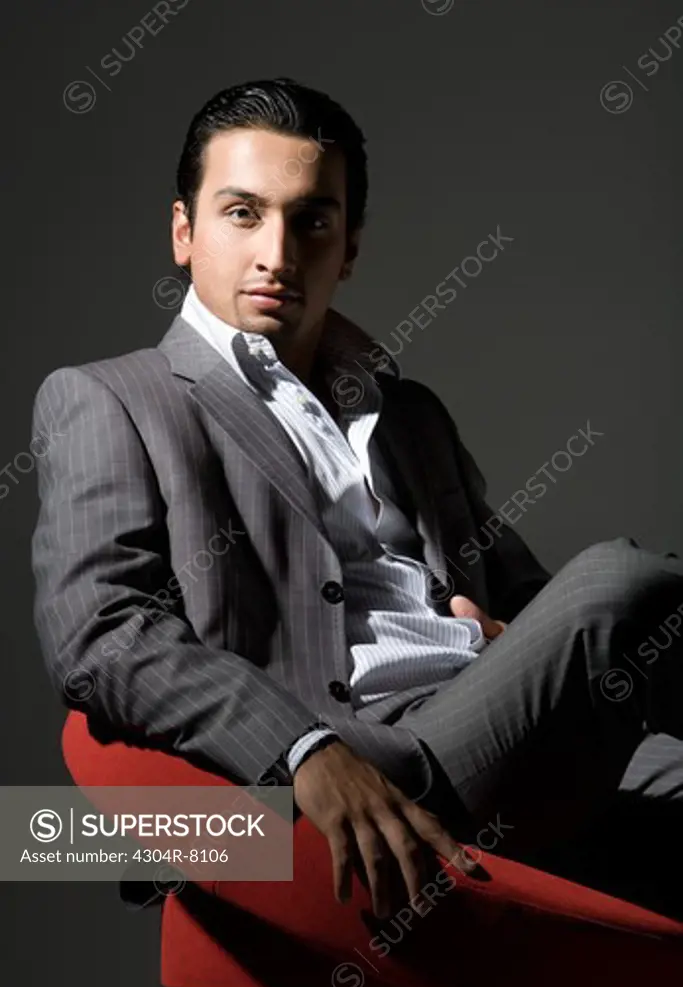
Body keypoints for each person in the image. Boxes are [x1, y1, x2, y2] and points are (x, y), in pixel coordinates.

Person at [31, 77, 683, 935]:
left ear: (349, 247)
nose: (277, 253)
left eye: (312, 221)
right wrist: (301, 750)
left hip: (496, 729)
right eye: (241, 213)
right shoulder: (111, 398)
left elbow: (529, 602)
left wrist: (507, 638)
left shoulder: (408, 414)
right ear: (183, 232)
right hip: (368, 761)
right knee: (623, 582)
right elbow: (101, 631)